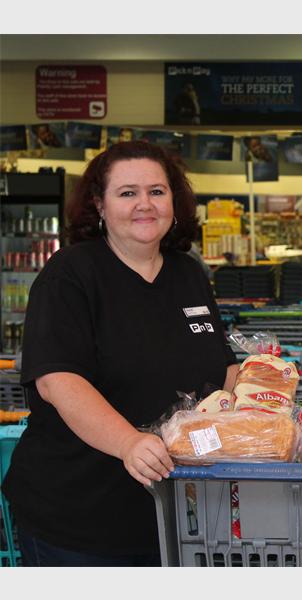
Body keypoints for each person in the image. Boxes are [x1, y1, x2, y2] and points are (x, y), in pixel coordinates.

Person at [1, 140, 239, 566]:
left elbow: (221, 366)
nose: (144, 204)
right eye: (127, 193)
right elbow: (58, 381)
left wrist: (260, 394)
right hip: (82, 517)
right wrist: (129, 441)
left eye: (156, 191)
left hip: (179, 513)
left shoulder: (188, 273)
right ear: (100, 204)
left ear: (174, 200)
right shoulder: (70, 274)